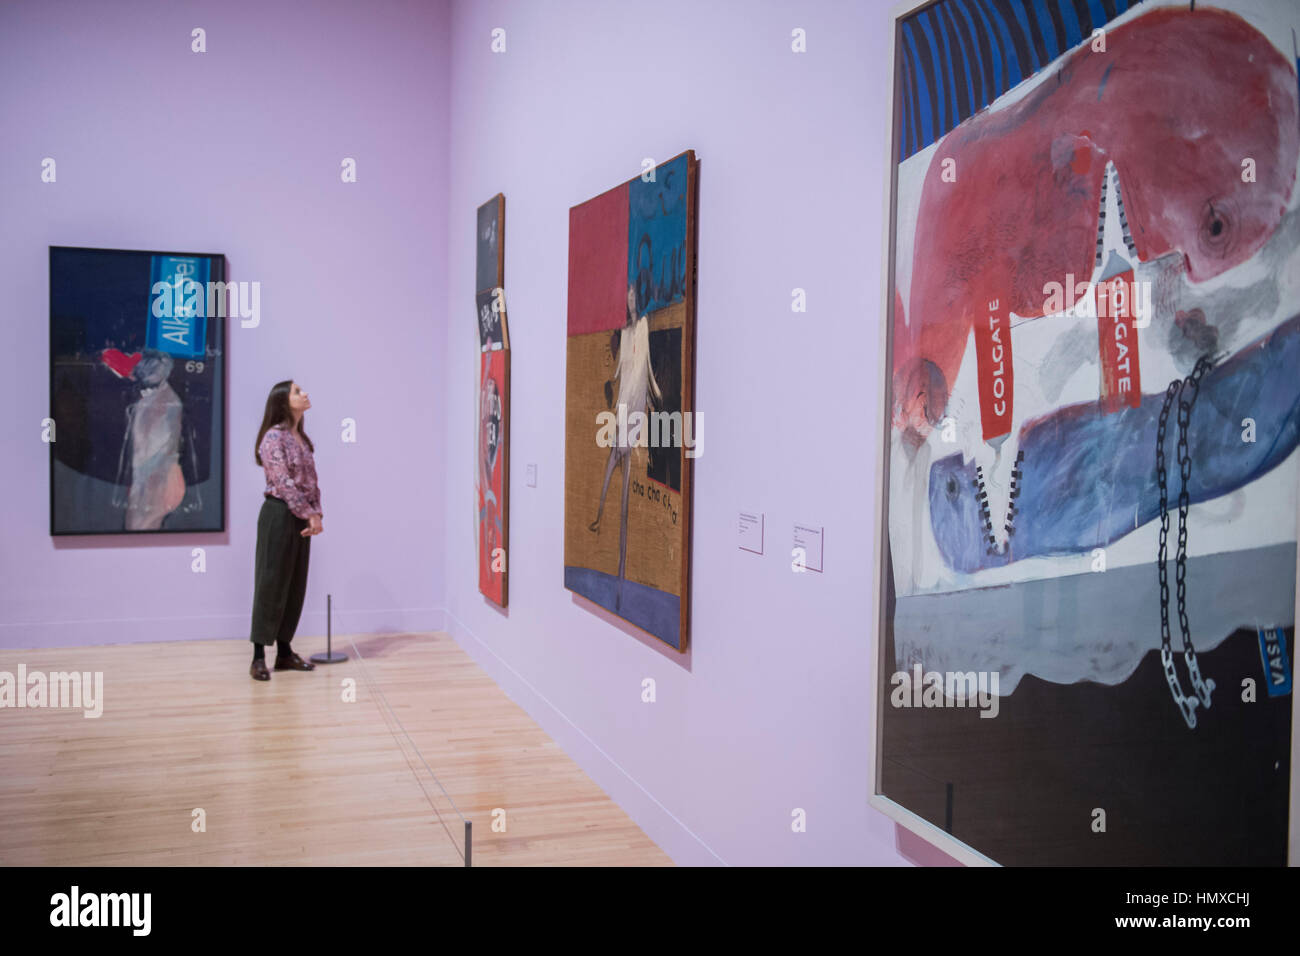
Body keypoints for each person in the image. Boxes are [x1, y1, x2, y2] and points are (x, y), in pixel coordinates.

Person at [248, 380, 322, 680]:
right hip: (279, 514)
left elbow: (312, 482)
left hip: (301, 517)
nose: (304, 393)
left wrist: (316, 514)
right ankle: (257, 657)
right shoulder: (273, 437)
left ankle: (285, 652)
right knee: (270, 583)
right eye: (296, 391)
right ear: (282, 401)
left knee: (295, 584)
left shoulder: (300, 438)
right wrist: (309, 513)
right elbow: (283, 482)